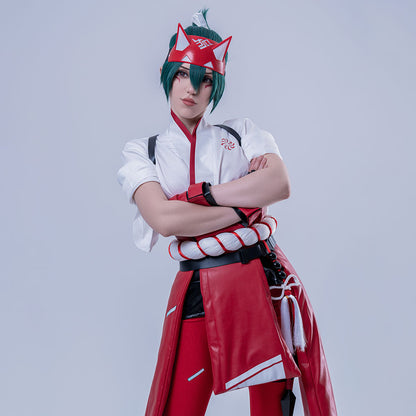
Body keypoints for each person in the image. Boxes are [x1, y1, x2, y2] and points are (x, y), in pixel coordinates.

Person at [117, 10, 337, 416]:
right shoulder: (143, 152)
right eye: (183, 74)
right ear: (167, 74)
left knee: (273, 408)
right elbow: (164, 219)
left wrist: (198, 197)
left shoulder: (242, 132)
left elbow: (278, 184)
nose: (191, 88)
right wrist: (245, 207)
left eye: (205, 79)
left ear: (216, 85)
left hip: (260, 280)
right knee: (176, 407)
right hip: (197, 288)